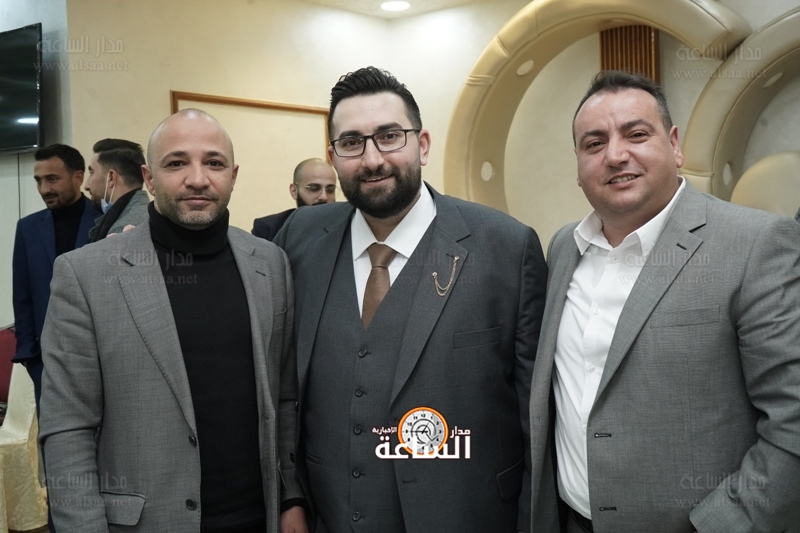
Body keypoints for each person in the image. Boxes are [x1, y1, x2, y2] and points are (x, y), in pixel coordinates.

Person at [274, 66, 547, 532]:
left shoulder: (505, 247)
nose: (372, 159)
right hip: (327, 515)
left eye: (389, 137)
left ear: (422, 144)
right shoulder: (300, 239)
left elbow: (535, 416)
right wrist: (290, 493)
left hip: (464, 516)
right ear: (334, 157)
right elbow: (282, 384)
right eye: (352, 142)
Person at [529, 71, 800, 533]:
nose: (615, 155)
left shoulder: (755, 244)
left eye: (636, 134)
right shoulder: (563, 248)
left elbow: (792, 420)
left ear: (674, 145)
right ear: (578, 166)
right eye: (594, 143)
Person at [38, 109, 307, 532]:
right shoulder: (86, 275)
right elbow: (67, 428)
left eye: (214, 163)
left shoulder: (270, 264)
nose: (197, 179)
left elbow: (285, 398)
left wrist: (291, 496)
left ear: (233, 175)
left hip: (259, 519)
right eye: (177, 163)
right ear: (148, 178)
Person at [11, 143, 100, 406]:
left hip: (97, 355)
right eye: (39, 181)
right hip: (46, 361)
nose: (44, 189)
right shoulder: (27, 228)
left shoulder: (104, 221)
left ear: (78, 178)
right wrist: (29, 356)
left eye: (52, 179)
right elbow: (22, 296)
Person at [252, 158, 338, 241]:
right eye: (314, 188)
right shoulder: (269, 229)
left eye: (330, 190)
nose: (324, 197)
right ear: (294, 191)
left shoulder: (343, 226)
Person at [87, 147, 150, 241]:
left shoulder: (122, 230)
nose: (86, 185)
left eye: (91, 172)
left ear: (111, 177)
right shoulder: (143, 215)